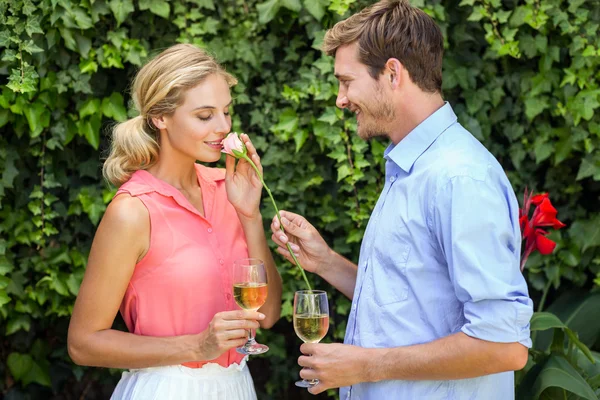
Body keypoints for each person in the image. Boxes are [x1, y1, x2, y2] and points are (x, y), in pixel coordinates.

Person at [270, 1, 533, 399]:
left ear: (392, 73)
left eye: (346, 81)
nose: (341, 99)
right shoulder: (411, 167)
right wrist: (323, 261)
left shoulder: (458, 178)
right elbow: (412, 305)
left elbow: (504, 346)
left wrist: (365, 366)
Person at [67, 44, 282, 399]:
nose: (223, 127)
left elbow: (269, 314)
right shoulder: (132, 211)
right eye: (205, 116)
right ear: (160, 118)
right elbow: (83, 344)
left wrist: (250, 215)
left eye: (226, 112)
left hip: (237, 386)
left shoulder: (229, 190)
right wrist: (197, 346)